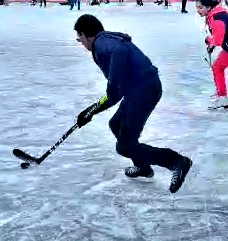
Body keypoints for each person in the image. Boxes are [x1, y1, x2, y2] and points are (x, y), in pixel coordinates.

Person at [73, 14, 193, 194]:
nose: (80, 42)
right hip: (139, 89)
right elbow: (115, 94)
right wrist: (91, 111)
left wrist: (112, 83)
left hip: (143, 90)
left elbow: (119, 52)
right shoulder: (105, 41)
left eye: (79, 38)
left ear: (85, 34)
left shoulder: (101, 43)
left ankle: (176, 161)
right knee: (116, 124)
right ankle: (143, 167)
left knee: (124, 146)